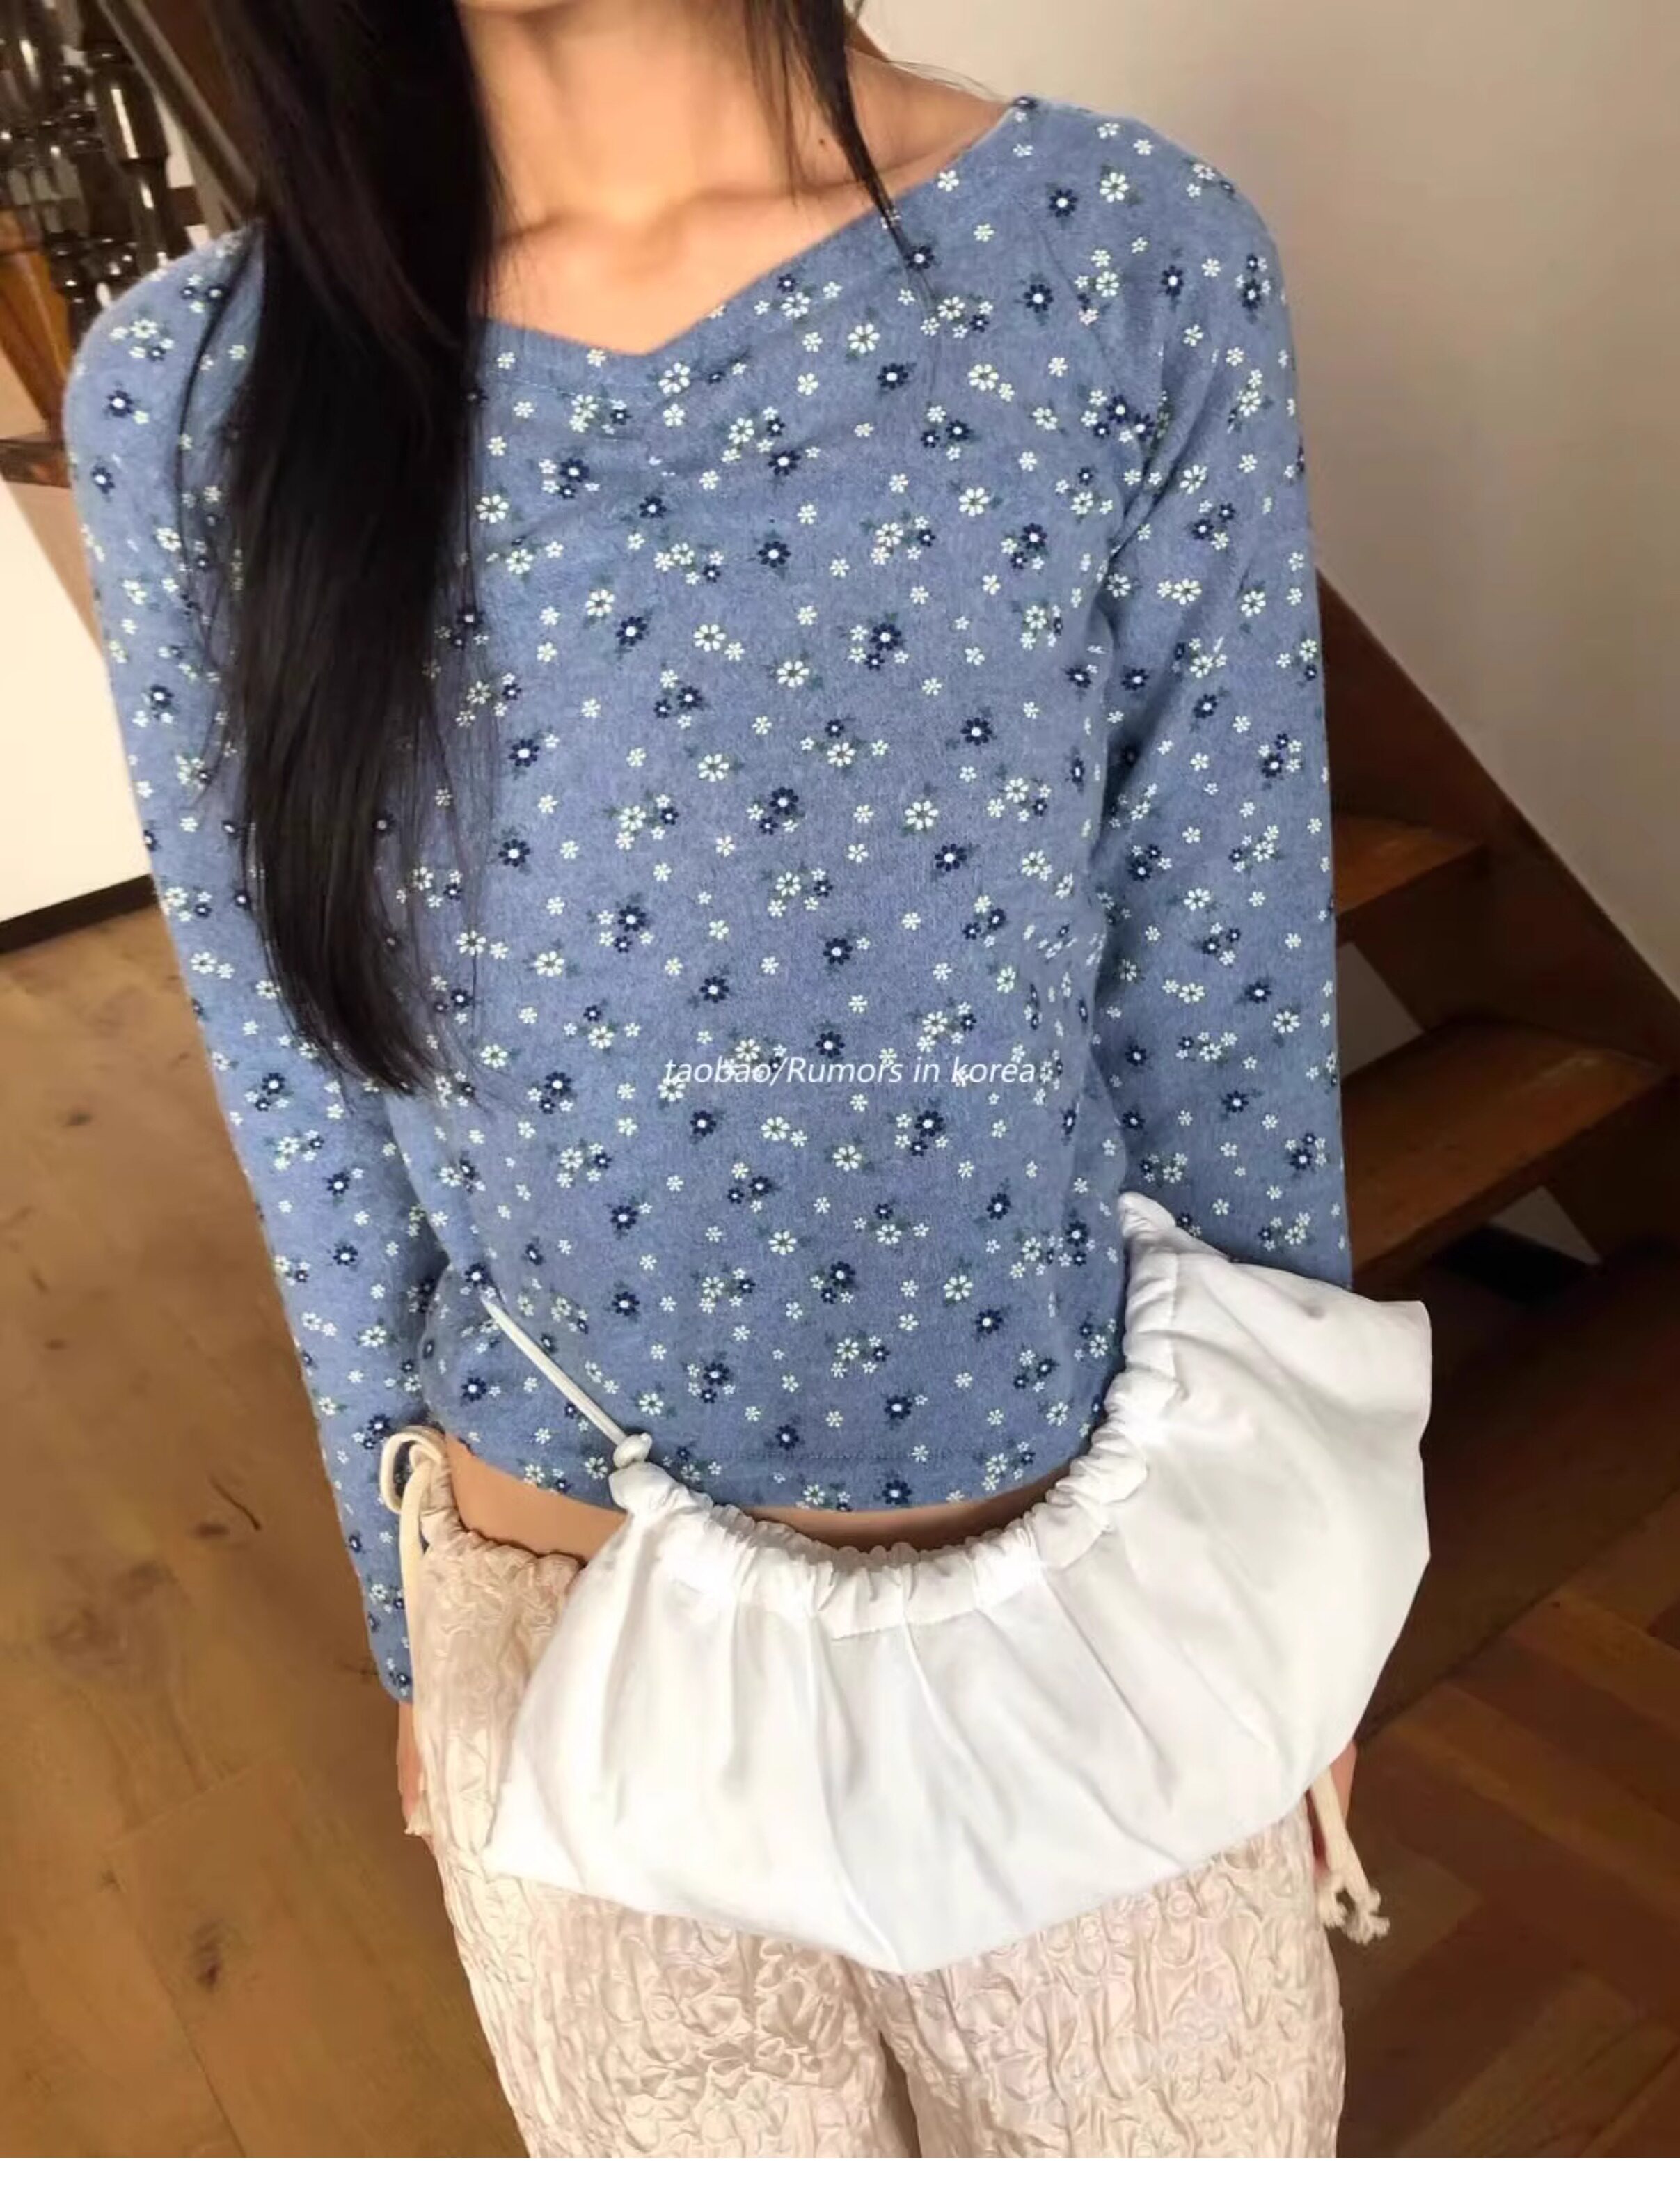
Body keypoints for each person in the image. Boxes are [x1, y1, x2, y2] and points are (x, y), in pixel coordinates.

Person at [63, 0, 1431, 2159]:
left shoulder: (1119, 261)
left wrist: (1303, 1608)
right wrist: (412, 1627)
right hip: (561, 1666)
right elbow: (304, 1102)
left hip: (1092, 1631)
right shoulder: (195, 393)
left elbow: (1226, 1003)